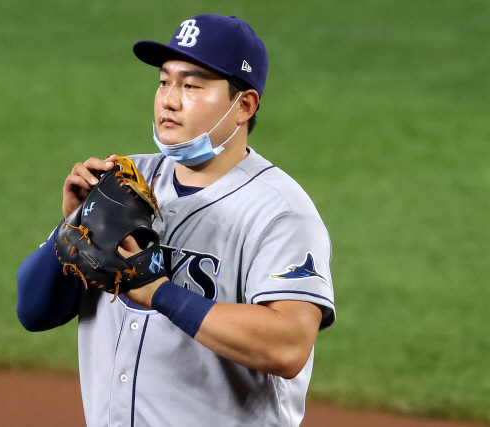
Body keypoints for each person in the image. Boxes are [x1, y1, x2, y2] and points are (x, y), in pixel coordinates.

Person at [17, 14, 335, 427]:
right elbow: (34, 312)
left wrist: (159, 292)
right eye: (164, 81)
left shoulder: (280, 211)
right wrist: (73, 227)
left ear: (244, 105)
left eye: (192, 85)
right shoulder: (125, 183)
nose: (169, 99)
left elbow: (289, 347)